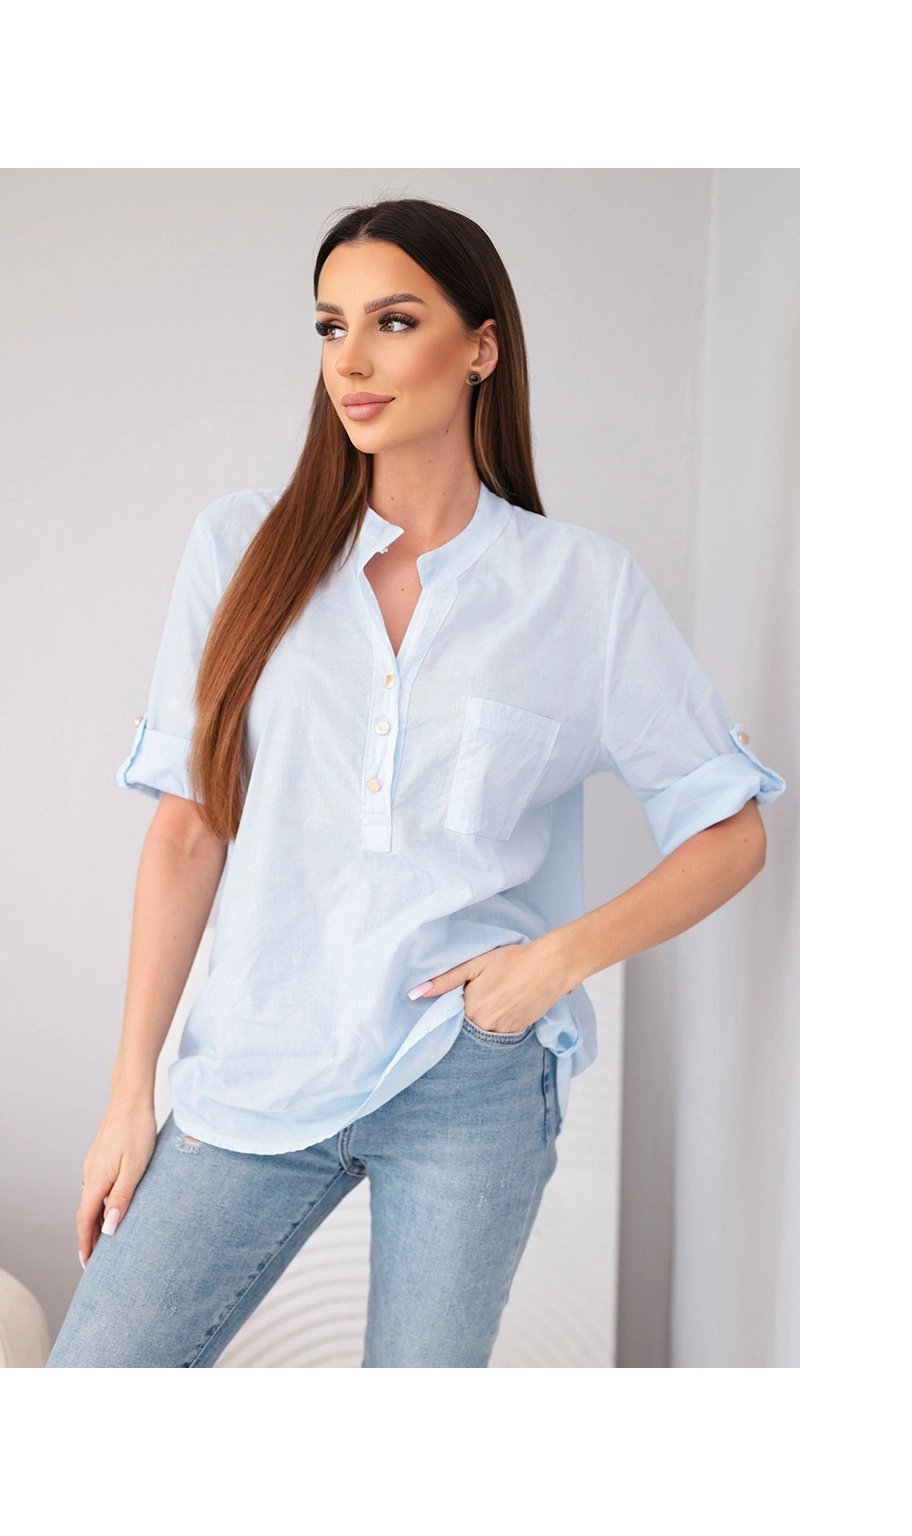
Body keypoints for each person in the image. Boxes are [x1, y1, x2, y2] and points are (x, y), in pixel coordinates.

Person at [45, 196, 786, 1368]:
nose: (351, 360)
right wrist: (129, 1090)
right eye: (330, 326)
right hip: (261, 1060)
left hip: (468, 1077)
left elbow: (728, 831)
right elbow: (189, 829)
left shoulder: (579, 590)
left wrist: (553, 962)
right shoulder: (240, 549)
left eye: (392, 322)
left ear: (480, 347)